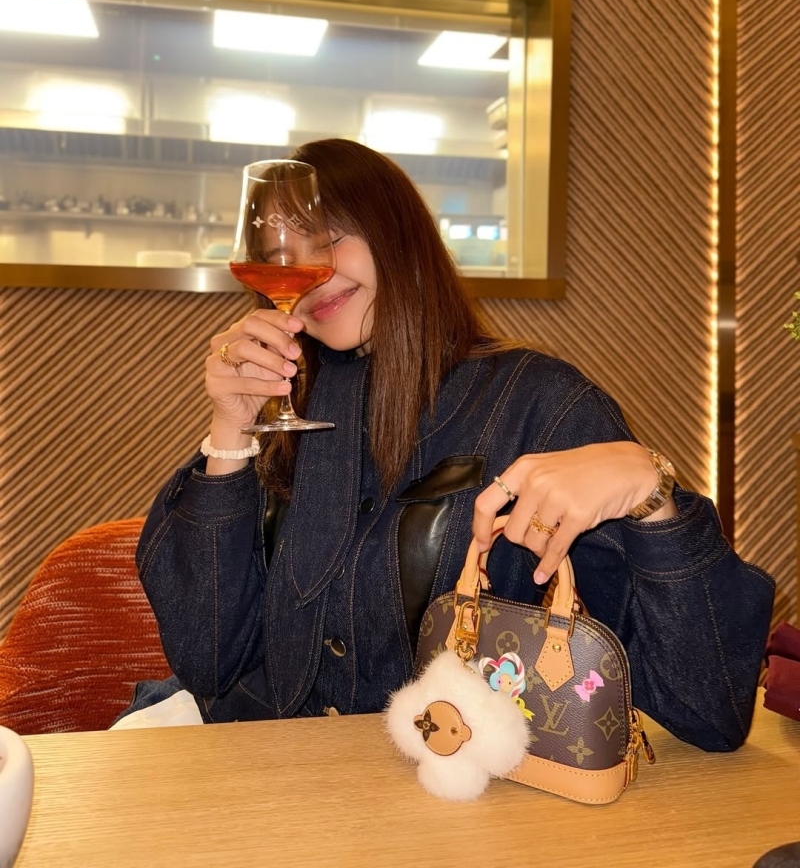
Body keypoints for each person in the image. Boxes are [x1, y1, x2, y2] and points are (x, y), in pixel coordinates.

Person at [119, 138, 774, 750]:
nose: (309, 273)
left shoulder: (539, 402)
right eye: (282, 253)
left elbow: (706, 706)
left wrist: (652, 493)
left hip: (459, 787)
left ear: (397, 234)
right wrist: (230, 432)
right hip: (265, 771)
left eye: (328, 238)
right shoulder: (291, 417)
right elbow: (208, 662)